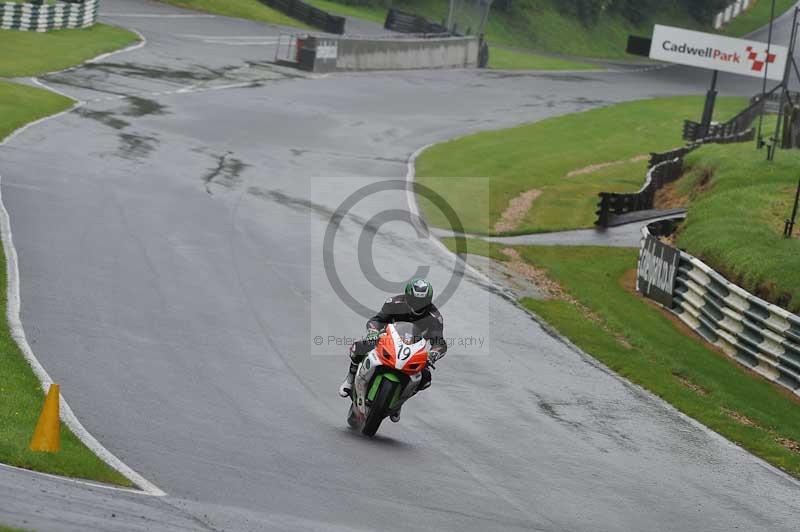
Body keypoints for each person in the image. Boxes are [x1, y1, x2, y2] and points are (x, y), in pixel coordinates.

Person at [338, 278, 447, 422]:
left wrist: (432, 354)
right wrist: (373, 331)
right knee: (359, 347)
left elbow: (440, 343)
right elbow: (377, 319)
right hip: (387, 340)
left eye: (422, 301)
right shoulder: (395, 303)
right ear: (408, 296)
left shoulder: (434, 317)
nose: (418, 304)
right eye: (415, 300)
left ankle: (398, 402)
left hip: (413, 351)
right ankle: (350, 379)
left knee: (425, 378)